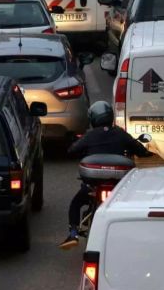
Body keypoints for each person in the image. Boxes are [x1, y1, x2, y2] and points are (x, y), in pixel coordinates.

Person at [60, 101, 151, 248]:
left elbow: (72, 150)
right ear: (110, 116)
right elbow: (140, 150)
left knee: (76, 203)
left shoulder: (90, 135)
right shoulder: (120, 133)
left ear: (93, 119)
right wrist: (146, 152)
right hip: (117, 185)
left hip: (93, 184)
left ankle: (73, 233)